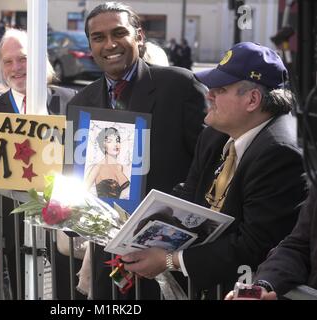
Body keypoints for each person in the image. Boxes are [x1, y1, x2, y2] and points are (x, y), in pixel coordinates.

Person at [121, 42, 307, 299]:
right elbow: (190, 195)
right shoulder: (215, 133)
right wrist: (138, 233)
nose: (209, 94)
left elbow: (255, 245)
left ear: (252, 99)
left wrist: (170, 260)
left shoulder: (280, 152)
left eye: (220, 89)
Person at [67, 1, 207, 299]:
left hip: (168, 257)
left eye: (119, 33)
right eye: (99, 37)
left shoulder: (179, 86)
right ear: (91, 44)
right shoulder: (80, 102)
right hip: (108, 261)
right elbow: (75, 175)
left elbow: (209, 163)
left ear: (139, 36)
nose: (110, 44)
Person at [0, 28, 77, 299]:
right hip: (14, 227)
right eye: (8, 61)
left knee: (66, 294)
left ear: (39, 60)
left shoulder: (73, 102)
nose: (16, 67)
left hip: (67, 227)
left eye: (23, 58)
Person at [85, 127, 130, 199]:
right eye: (109, 141)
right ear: (103, 145)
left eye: (117, 140)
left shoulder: (123, 167)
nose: (115, 144)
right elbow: (83, 192)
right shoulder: (98, 167)